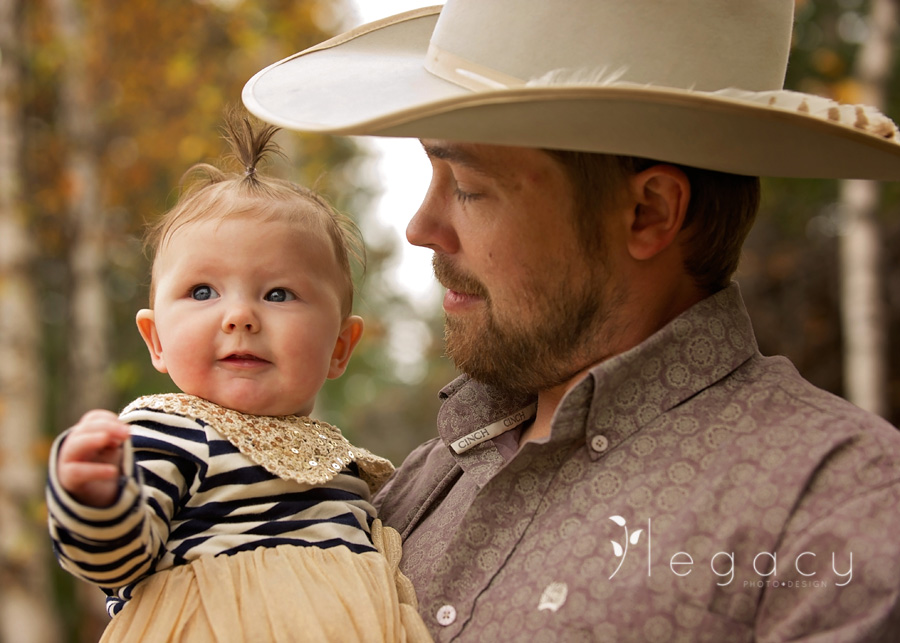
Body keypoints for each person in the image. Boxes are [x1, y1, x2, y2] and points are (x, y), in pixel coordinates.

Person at [243, 1, 900, 640]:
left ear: (649, 212)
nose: (422, 226)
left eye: (469, 186)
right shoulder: (417, 482)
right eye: (431, 173)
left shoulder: (841, 504)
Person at [46, 111, 431, 643]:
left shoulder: (346, 466)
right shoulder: (169, 432)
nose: (240, 316)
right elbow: (112, 562)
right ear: (156, 340)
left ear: (340, 347)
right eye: (203, 292)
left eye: (278, 294)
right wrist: (97, 498)